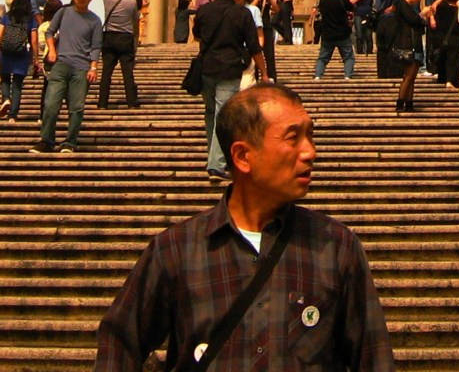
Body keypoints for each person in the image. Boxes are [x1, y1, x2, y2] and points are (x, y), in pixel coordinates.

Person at [95, 84, 394, 372]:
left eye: (310, 136)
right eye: (293, 138)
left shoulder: (336, 246)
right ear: (242, 156)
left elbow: (374, 357)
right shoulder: (176, 250)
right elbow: (119, 343)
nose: (310, 152)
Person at [191, 0, 267, 180]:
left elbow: (196, 33)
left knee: (210, 113)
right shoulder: (241, 13)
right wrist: (265, 73)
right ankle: (216, 163)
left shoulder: (204, 10)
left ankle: (213, 156)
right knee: (222, 115)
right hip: (229, 69)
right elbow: (254, 47)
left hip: (207, 68)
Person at [33, 0, 102, 154]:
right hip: (60, 64)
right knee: (50, 104)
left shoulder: (95, 20)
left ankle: (70, 142)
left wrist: (93, 67)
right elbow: (49, 32)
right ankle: (46, 140)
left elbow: (95, 47)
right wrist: (52, 51)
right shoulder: (63, 13)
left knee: (76, 107)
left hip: (82, 67)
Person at [0, 0, 41, 121]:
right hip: (22, 53)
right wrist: (36, 58)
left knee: (5, 80)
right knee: (17, 85)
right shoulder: (31, 19)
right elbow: (34, 40)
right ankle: (13, 115)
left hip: (6, 52)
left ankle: (6, 98)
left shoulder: (7, 16)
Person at [99, 0, 142, 110]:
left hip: (109, 37)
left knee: (106, 73)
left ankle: (102, 103)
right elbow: (135, 20)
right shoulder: (132, 2)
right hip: (125, 38)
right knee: (127, 73)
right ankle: (131, 102)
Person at [392, 0, 428, 114]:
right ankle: (401, 102)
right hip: (408, 44)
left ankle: (409, 103)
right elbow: (414, 20)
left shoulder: (407, 7)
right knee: (409, 76)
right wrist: (422, 15)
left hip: (413, 44)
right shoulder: (403, 4)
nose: (419, 0)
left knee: (412, 77)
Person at [314, 0, 356, 80]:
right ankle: (347, 76)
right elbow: (352, 8)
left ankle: (318, 75)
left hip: (327, 33)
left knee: (323, 58)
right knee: (348, 57)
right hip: (342, 33)